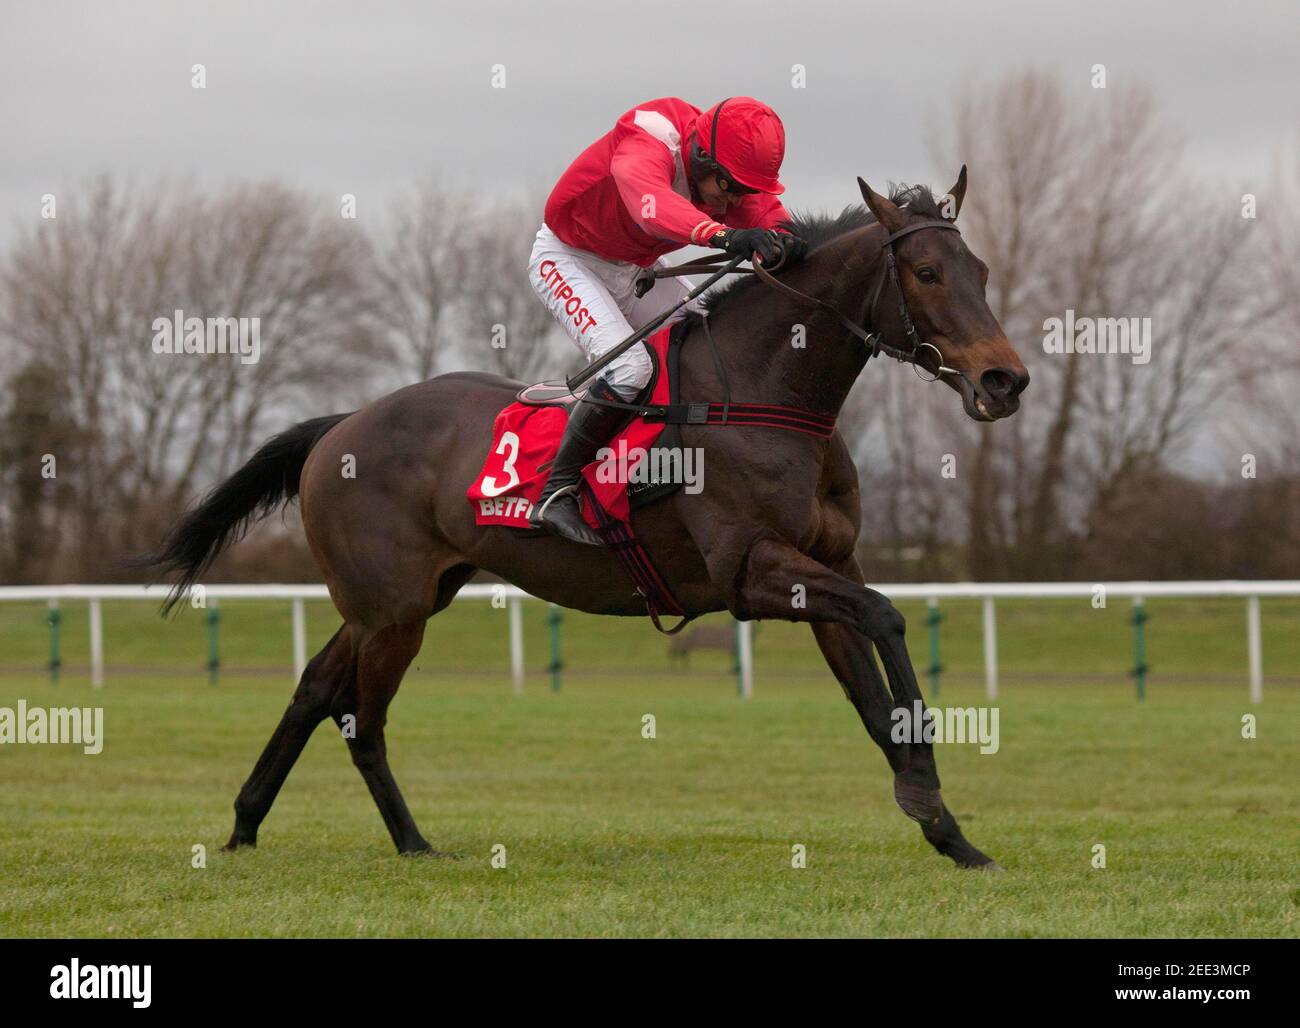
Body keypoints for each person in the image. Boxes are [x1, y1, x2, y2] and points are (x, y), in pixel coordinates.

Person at [527, 96, 808, 545]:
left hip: (632, 271)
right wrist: (725, 235)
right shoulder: (651, 136)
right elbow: (650, 205)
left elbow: (761, 212)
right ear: (700, 157)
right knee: (631, 367)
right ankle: (555, 491)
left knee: (711, 342)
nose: (734, 199)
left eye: (742, 191)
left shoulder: (717, 164)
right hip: (568, 261)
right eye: (730, 186)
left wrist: (788, 237)